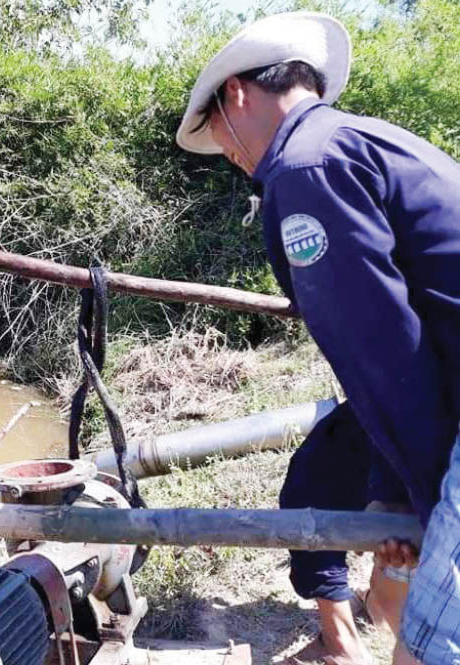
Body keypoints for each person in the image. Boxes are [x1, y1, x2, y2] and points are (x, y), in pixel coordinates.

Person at [176, 11, 460, 665]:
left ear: (236, 94)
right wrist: (396, 495)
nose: (228, 154)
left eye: (217, 134)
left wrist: (425, 505)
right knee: (330, 483)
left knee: (426, 651)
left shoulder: (306, 169)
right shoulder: (355, 142)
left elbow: (384, 358)